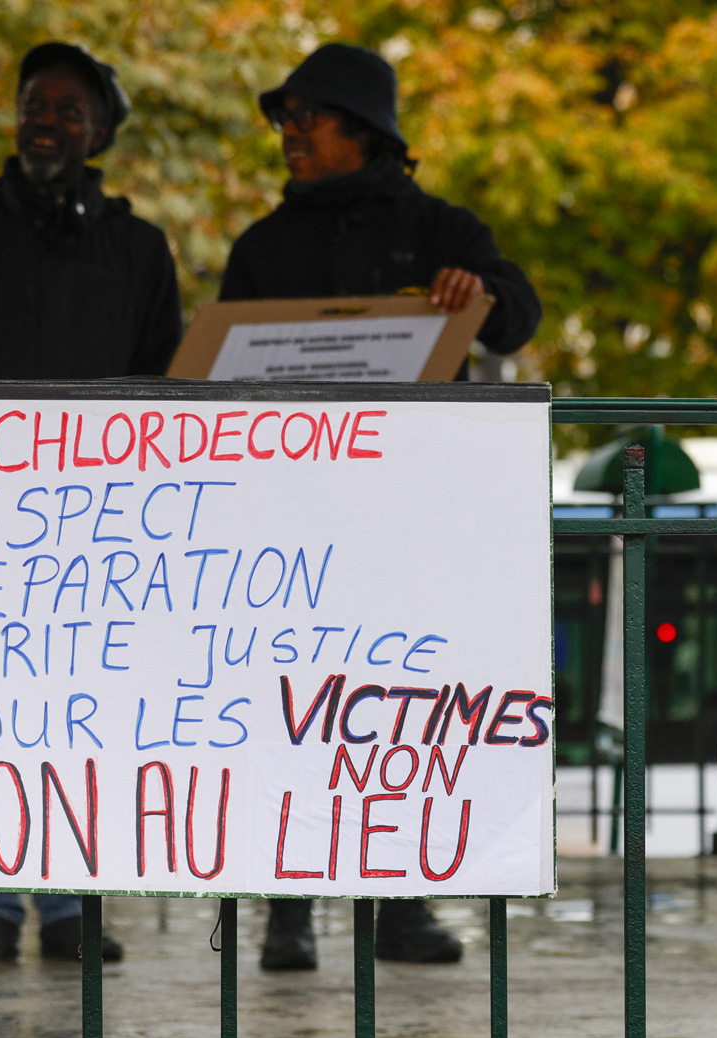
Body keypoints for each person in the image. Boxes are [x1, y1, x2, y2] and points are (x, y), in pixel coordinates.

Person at [221, 41, 542, 969]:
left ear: (361, 129)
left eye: (305, 119)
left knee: (393, 706)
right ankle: (288, 907)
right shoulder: (262, 246)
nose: (288, 134)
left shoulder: (443, 228)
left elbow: (518, 310)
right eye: (283, 120)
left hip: (407, 516)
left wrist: (479, 291)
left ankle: (397, 902)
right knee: (285, 706)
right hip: (289, 519)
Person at [0, 41, 182, 967]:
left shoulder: (139, 247)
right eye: (32, 104)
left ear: (100, 132)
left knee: (86, 706)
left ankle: (72, 905)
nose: (44, 120)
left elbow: (168, 377)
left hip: (103, 519)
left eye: (66, 108)